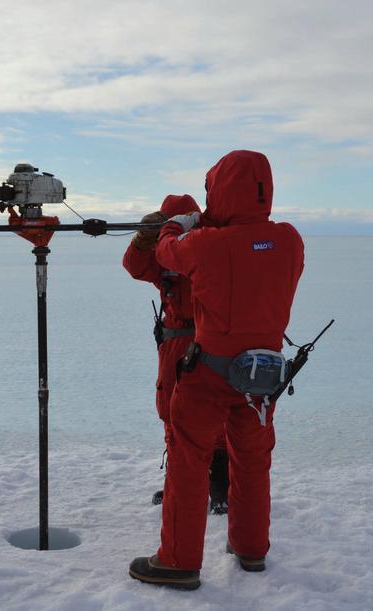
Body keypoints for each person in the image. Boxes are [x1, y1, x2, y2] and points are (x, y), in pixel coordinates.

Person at [129, 150, 304, 590]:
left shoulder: (206, 245)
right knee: (253, 462)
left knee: (188, 464)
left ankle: (178, 561)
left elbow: (169, 253)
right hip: (262, 378)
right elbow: (257, 257)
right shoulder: (289, 240)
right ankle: (251, 549)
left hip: (207, 374)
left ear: (220, 190)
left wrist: (175, 226)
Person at [123, 195, 229, 512]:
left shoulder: (210, 248)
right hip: (175, 346)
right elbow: (135, 266)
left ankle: (220, 488)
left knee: (215, 417)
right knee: (171, 412)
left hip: (208, 343)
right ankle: (180, 485)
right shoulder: (164, 256)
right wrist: (144, 239)